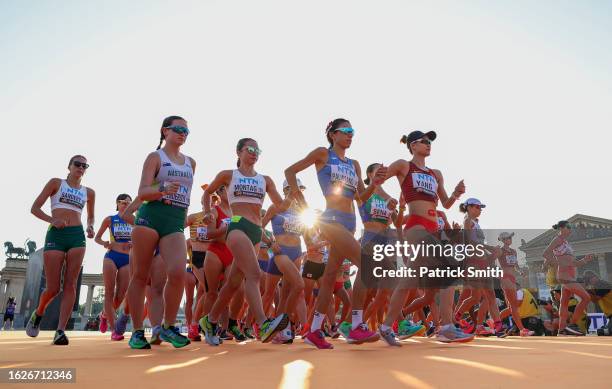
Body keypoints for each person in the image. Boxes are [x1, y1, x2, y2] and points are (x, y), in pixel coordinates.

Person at [285, 118, 387, 349]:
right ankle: (357, 324)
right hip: (331, 220)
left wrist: (375, 182)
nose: (351, 135)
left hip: (350, 222)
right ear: (332, 134)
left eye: (353, 132)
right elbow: (290, 171)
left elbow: (361, 197)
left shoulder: (355, 164)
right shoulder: (322, 154)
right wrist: (300, 201)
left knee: (330, 277)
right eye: (346, 131)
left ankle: (314, 330)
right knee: (367, 265)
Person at [379, 130, 473, 345]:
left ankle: (386, 327)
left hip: (433, 230)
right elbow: (377, 181)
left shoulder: (435, 173)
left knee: (408, 282)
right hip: (416, 227)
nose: (428, 144)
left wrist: (457, 194)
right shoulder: (404, 165)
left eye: (430, 141)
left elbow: (446, 203)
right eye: (424, 141)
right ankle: (447, 328)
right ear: (413, 145)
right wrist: (388, 199)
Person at [200, 138, 291, 346]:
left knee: (233, 283)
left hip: (256, 231)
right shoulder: (228, 175)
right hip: (238, 225)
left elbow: (280, 205)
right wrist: (207, 213)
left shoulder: (265, 179)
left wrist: (291, 196)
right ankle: (263, 323)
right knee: (254, 274)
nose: (254, 153)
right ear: (239, 152)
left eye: (257, 150)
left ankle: (210, 320)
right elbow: (207, 193)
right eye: (250, 149)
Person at [125, 115, 195, 349]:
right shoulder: (156, 157)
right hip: (150, 216)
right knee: (140, 276)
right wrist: (162, 188)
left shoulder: (190, 162)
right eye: (177, 129)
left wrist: (185, 215)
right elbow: (143, 191)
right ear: (165, 131)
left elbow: (187, 194)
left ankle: (167, 326)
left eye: (186, 130)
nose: (182, 133)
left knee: (177, 273)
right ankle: (136, 331)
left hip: (174, 219)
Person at [28, 155, 96, 345]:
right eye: (78, 164)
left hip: (77, 235)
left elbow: (91, 217)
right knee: (53, 288)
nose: (81, 167)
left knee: (71, 284)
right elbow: (34, 208)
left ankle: (60, 331)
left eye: (85, 165)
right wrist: (52, 220)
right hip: (56, 235)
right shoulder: (56, 183)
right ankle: (38, 313)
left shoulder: (89, 192)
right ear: (69, 167)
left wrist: (90, 227)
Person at [542, 220, 594, 335]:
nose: (570, 229)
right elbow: (545, 253)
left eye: (571, 227)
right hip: (565, 276)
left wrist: (585, 259)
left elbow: (574, 263)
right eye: (568, 227)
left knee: (564, 303)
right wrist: (556, 263)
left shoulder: (565, 242)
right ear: (561, 228)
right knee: (586, 298)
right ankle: (572, 324)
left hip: (569, 275)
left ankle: (561, 329)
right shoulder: (557, 239)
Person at [94, 194, 133, 340]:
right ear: (117, 204)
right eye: (123, 202)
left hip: (127, 259)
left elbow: (142, 238)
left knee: (120, 295)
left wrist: (135, 243)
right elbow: (97, 238)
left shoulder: (135, 221)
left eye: (129, 203)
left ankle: (104, 315)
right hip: (111, 256)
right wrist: (104, 243)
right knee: (109, 292)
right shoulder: (110, 219)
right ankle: (114, 330)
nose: (126, 205)